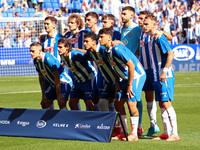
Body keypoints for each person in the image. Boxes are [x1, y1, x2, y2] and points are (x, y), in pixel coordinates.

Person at [99, 28, 146, 141]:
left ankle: (134, 134)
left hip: (136, 75)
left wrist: (129, 85)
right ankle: (123, 132)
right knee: (118, 104)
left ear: (109, 38)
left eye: (101, 37)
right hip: (123, 78)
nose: (99, 39)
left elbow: (131, 66)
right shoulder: (106, 51)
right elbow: (115, 67)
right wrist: (117, 85)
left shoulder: (118, 49)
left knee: (131, 103)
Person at [142, 15, 180, 141]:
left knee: (166, 102)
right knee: (161, 104)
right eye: (143, 23)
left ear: (154, 24)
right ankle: (166, 133)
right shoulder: (152, 38)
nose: (144, 26)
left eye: (146, 24)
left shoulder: (159, 37)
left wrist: (164, 71)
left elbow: (171, 54)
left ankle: (175, 133)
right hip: (156, 76)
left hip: (164, 75)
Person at [120, 6, 144, 135]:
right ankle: (131, 128)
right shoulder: (122, 29)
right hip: (124, 67)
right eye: (121, 14)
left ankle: (139, 126)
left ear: (131, 15)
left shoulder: (137, 29)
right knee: (131, 99)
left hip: (135, 67)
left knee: (135, 99)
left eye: (124, 14)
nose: (122, 16)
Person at [57, 37, 97, 111]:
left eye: (60, 47)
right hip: (78, 81)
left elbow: (91, 56)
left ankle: (95, 121)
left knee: (89, 103)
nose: (58, 49)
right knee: (72, 103)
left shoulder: (76, 55)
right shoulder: (62, 56)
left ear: (67, 47)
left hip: (88, 79)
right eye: (58, 47)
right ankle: (78, 121)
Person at [30, 42, 72, 110]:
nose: (31, 53)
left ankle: (66, 120)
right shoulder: (36, 61)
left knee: (61, 102)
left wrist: (58, 95)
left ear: (40, 51)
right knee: (44, 103)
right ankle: (50, 120)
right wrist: (43, 95)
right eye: (30, 51)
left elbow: (57, 76)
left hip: (64, 82)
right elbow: (41, 77)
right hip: (54, 84)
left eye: (33, 51)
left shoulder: (48, 59)